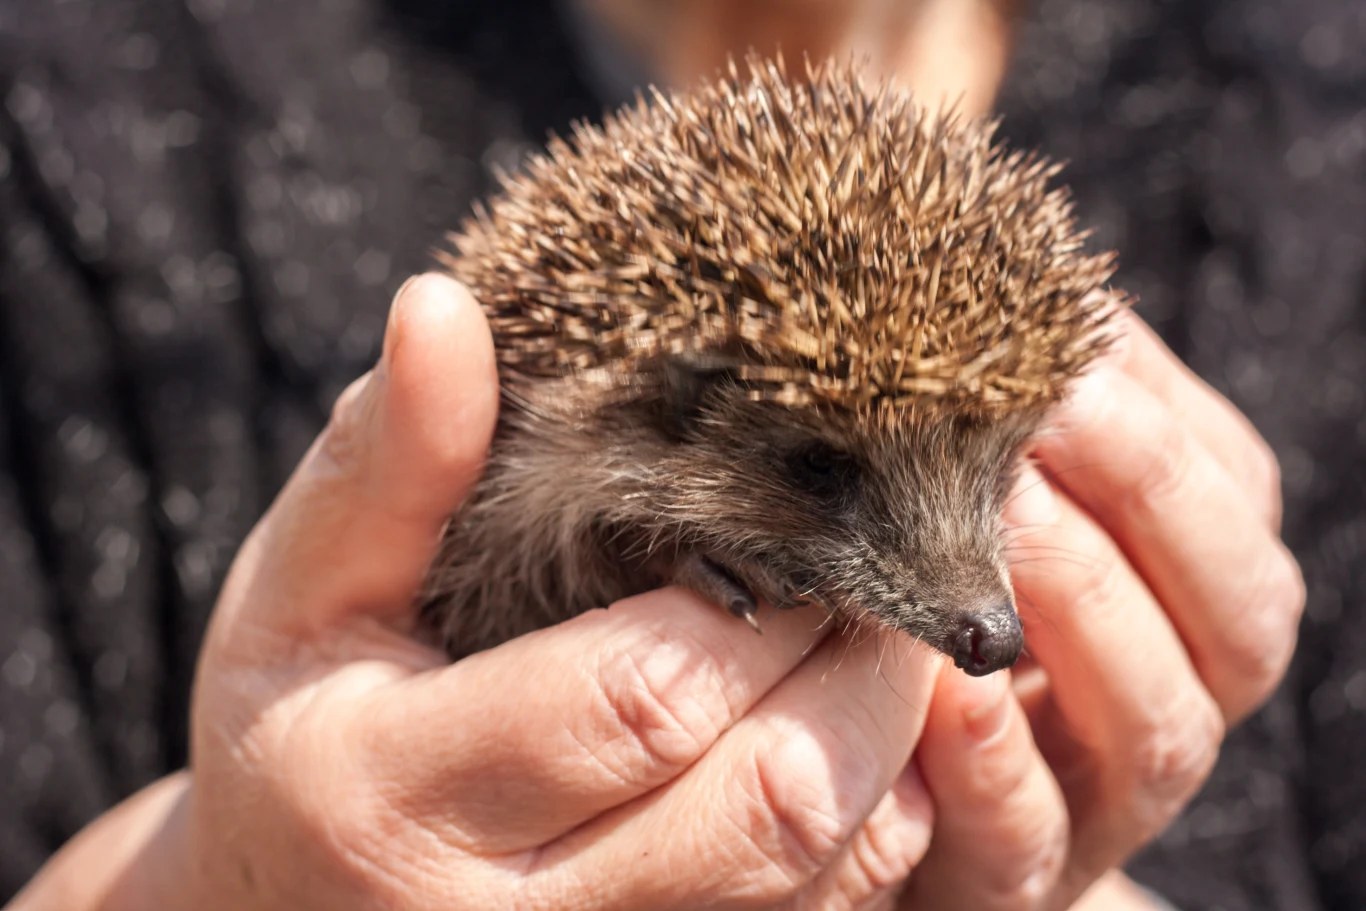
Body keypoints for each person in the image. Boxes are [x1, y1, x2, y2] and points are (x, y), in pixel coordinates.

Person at [0, 0, 1333, 907]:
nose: (978, 609)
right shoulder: (72, 108)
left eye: (982, 474)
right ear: (656, 411)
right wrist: (213, 875)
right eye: (823, 473)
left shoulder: (1318, 133)